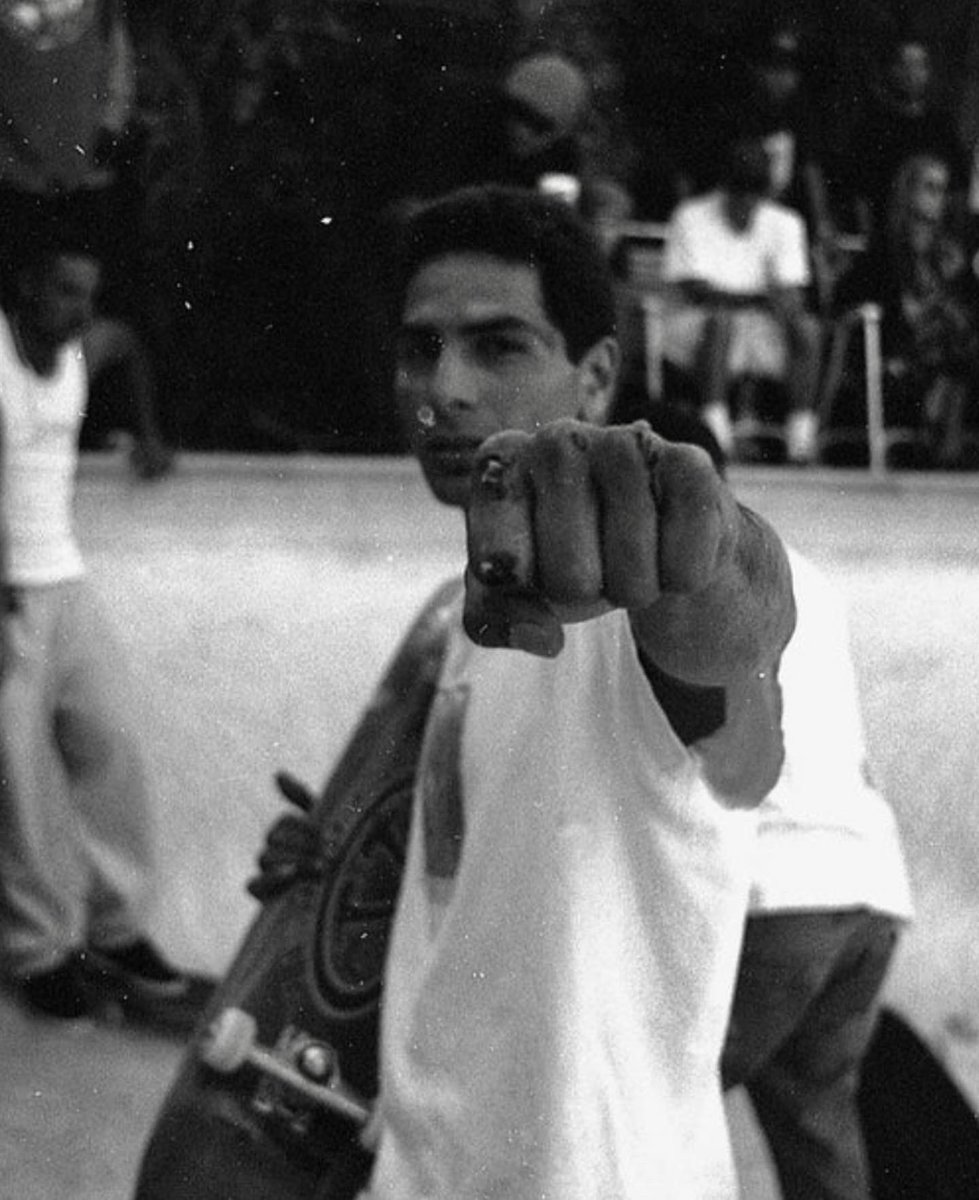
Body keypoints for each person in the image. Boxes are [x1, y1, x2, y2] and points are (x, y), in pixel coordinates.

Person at [349, 183, 795, 1199]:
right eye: (420, 349)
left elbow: (740, 637)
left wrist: (703, 544)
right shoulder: (474, 611)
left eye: (499, 347)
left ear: (596, 377)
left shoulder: (626, 609)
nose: (444, 390)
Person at [637, 403, 913, 1200]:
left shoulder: (669, 579)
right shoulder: (799, 567)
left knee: (641, 1116)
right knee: (817, 1133)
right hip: (865, 889)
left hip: (773, 900)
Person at [0, 201, 203, 1025]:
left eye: (86, 292)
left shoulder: (87, 347)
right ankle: (38, 950)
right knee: (16, 780)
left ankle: (117, 932)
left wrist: (148, 434)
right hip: (7, 591)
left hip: (66, 581)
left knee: (111, 744)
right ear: (20, 288)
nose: (79, 308)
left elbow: (128, 346)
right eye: (61, 291)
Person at [661, 135, 823, 464]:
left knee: (806, 328)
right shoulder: (690, 216)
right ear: (725, 186)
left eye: (755, 190)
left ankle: (800, 440)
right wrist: (762, 297)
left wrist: (771, 302)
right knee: (721, 320)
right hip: (695, 325)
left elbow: (791, 296)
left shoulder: (786, 222)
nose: (746, 199)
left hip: (760, 326)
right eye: (739, 189)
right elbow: (696, 291)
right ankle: (717, 434)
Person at [833, 152, 979, 468]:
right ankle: (944, 445)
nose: (939, 198)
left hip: (944, 352)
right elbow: (862, 305)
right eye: (930, 188)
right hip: (897, 355)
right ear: (908, 192)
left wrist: (954, 282)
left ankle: (942, 436)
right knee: (958, 351)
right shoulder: (884, 251)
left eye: (943, 189)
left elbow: (967, 311)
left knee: (960, 343)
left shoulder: (950, 253)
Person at [839, 36, 970, 239]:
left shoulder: (942, 126)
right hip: (883, 236)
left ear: (928, 72)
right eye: (905, 64)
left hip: (932, 239)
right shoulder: (872, 125)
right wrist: (870, 239)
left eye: (919, 65)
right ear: (892, 69)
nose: (912, 73)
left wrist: (952, 236)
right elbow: (859, 191)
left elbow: (959, 189)